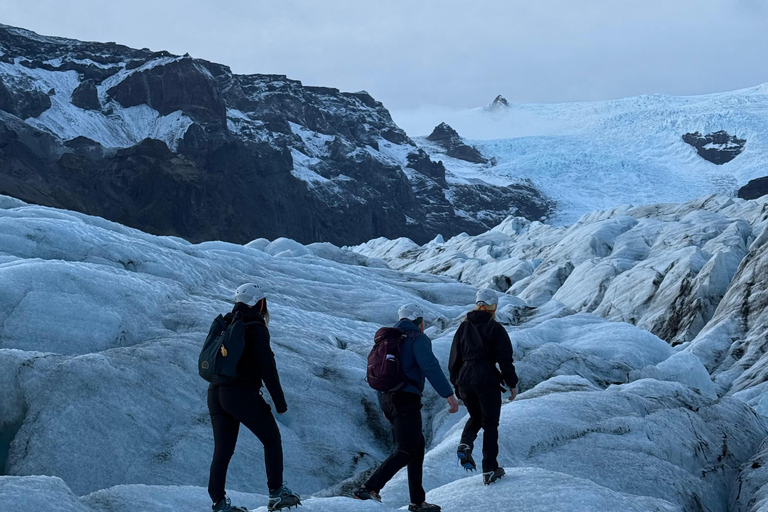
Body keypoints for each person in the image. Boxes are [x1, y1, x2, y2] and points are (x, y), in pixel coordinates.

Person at [355, 304, 460, 512]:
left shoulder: (386, 340)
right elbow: (430, 366)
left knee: (417, 447)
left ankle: (418, 501)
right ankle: (368, 488)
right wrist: (448, 394)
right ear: (418, 321)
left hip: (388, 399)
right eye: (422, 321)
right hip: (405, 399)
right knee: (404, 449)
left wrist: (384, 407)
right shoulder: (416, 338)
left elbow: (379, 376)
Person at [207, 283, 301, 512]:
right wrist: (281, 405)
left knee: (223, 449)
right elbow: (268, 369)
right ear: (259, 303)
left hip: (215, 392)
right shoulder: (256, 327)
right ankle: (277, 493)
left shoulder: (228, 322)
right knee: (271, 440)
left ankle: (219, 503)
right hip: (240, 394)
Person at [448, 289, 518, 485]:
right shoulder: (495, 328)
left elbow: (453, 359)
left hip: (464, 380)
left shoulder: (462, 328)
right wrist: (512, 383)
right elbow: (505, 360)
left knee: (476, 417)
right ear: (493, 307)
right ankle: (489, 469)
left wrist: (456, 384)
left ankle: (465, 444)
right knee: (490, 425)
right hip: (486, 380)